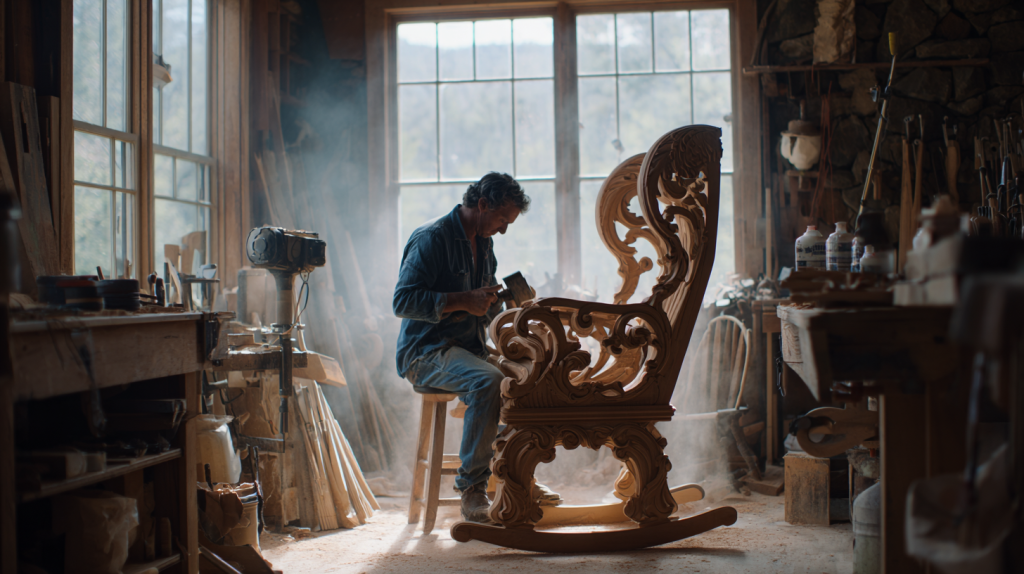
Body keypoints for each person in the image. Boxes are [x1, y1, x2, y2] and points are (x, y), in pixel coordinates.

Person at [393, 172, 528, 524]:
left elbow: (479, 306)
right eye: (502, 219)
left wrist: (500, 304)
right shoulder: (431, 239)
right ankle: (473, 488)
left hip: (466, 346)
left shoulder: (484, 243)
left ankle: (514, 477)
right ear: (482, 205)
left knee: (527, 378)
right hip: (425, 351)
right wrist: (462, 300)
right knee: (487, 382)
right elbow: (402, 302)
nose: (503, 230)